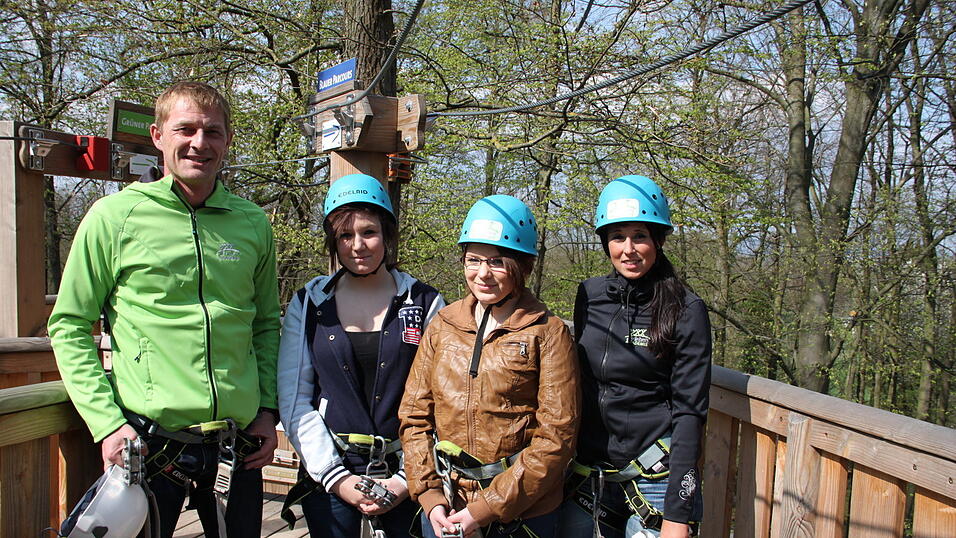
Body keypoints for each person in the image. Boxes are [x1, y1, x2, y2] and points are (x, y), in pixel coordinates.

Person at [49, 81, 281, 538]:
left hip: (238, 445)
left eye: (213, 131)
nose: (200, 143)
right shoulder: (114, 217)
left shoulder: (252, 222)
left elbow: (266, 324)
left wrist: (268, 410)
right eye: (185, 129)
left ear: (228, 140)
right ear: (157, 136)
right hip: (150, 446)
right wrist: (106, 423)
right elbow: (70, 324)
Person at [399, 194, 581, 538]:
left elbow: (556, 437)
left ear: (521, 266)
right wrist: (430, 495)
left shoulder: (547, 332)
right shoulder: (443, 325)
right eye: (473, 260)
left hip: (521, 512)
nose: (482, 273)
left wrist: (484, 510)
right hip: (446, 503)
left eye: (497, 262)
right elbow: (414, 416)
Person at [278, 173, 445, 537]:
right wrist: (337, 478)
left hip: (409, 471)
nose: (357, 245)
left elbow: (441, 400)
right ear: (333, 241)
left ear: (387, 234)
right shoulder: (309, 304)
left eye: (368, 232)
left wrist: (406, 478)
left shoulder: (425, 303)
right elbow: (294, 398)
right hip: (331, 470)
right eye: (345, 235)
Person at [559, 176, 711, 538]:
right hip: (592, 473)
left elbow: (690, 411)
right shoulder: (590, 296)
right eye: (617, 237)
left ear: (658, 240)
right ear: (606, 243)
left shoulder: (685, 310)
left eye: (639, 236)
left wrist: (679, 513)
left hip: (655, 475)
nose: (628, 249)